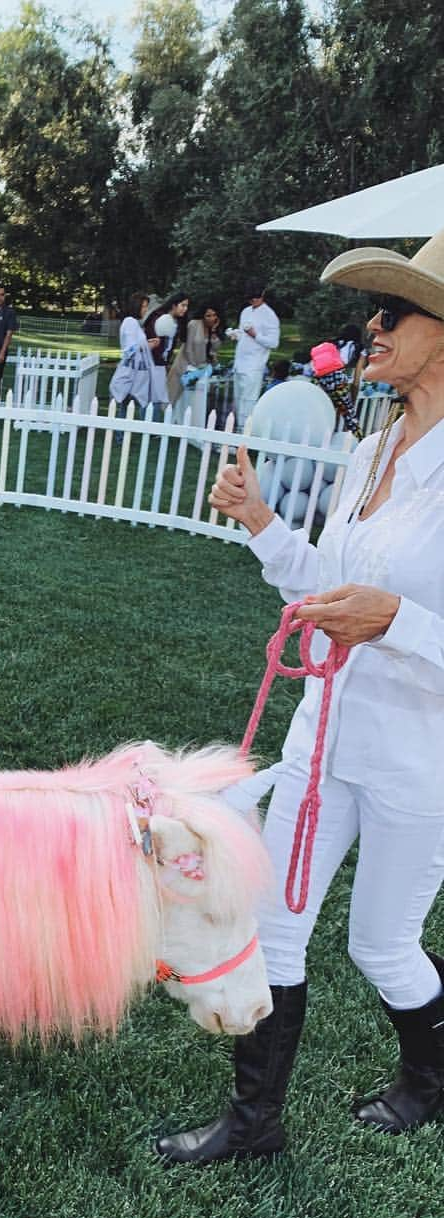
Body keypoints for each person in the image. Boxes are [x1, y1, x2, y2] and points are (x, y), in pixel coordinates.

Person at [157, 225, 444, 1164]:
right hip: (323, 739)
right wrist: (263, 523)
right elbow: (325, 590)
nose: (370, 326)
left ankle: (428, 1082)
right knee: (273, 928)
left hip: (417, 760)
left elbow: (378, 610)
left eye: (391, 310)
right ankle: (253, 1126)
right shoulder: (371, 451)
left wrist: (394, 619)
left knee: (381, 949)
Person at [227, 282, 281, 431]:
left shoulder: (270, 315)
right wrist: (236, 334)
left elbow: (273, 342)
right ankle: (237, 432)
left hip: (254, 364)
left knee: (249, 401)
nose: (253, 301)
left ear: (262, 294)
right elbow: (242, 333)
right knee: (238, 401)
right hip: (240, 363)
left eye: (256, 297)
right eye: (251, 298)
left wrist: (255, 335)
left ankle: (245, 434)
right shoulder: (245, 311)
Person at [166, 301, 223, 412]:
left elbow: (215, 349)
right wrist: (196, 365)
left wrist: (214, 331)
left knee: (194, 403)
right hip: (185, 366)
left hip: (201, 369)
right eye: (208, 315)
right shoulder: (194, 324)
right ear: (202, 315)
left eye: (214, 315)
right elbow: (188, 348)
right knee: (176, 400)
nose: (212, 318)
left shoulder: (213, 329)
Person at [109, 292, 160, 412]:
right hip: (129, 375)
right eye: (144, 306)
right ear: (136, 306)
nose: (146, 310)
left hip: (133, 374)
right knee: (123, 410)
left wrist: (147, 343)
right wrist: (148, 345)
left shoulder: (133, 323)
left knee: (125, 410)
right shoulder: (130, 322)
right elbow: (130, 349)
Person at [143, 293, 190, 407]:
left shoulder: (177, 321)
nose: (185, 309)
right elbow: (151, 340)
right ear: (174, 305)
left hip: (161, 364)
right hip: (151, 363)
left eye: (186, 306)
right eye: (182, 305)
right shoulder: (158, 317)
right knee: (151, 399)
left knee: (157, 398)